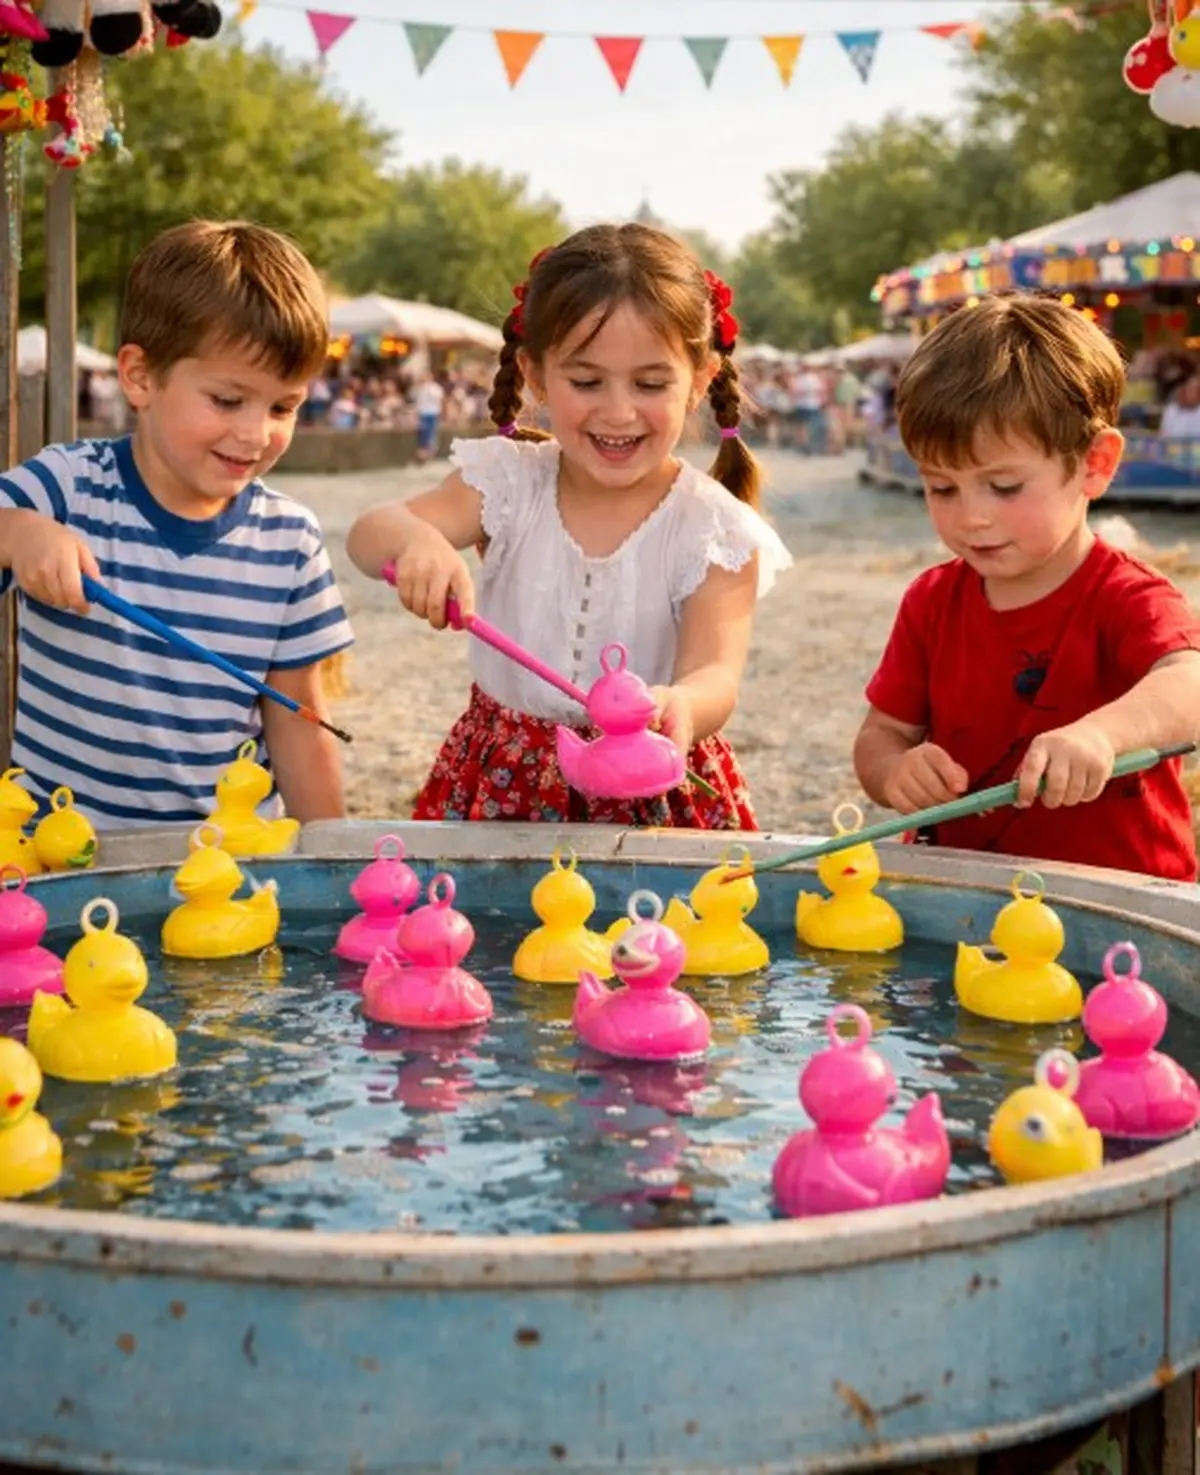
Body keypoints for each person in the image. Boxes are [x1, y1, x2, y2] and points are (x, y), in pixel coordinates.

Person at [347, 222, 792, 828]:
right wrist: (417, 539)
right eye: (586, 381)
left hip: (649, 782)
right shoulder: (508, 482)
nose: (618, 410)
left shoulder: (713, 527)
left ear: (701, 380)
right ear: (535, 375)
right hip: (503, 779)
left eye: (650, 383)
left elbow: (716, 672)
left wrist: (681, 702)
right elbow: (370, 533)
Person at [0, 220, 354, 829]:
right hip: (59, 861)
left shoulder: (290, 542)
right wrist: (19, 534)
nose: (256, 433)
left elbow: (297, 718)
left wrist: (335, 863)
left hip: (225, 868)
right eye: (226, 400)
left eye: (283, 407)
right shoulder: (65, 487)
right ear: (139, 377)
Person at [854, 293, 1200, 881]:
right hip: (965, 891)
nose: (971, 518)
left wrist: (1100, 734)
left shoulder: (1127, 596)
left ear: (1094, 463)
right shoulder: (931, 601)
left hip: (1117, 898)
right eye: (942, 489)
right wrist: (895, 772)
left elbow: (1188, 684)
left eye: (1005, 487)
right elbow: (881, 735)